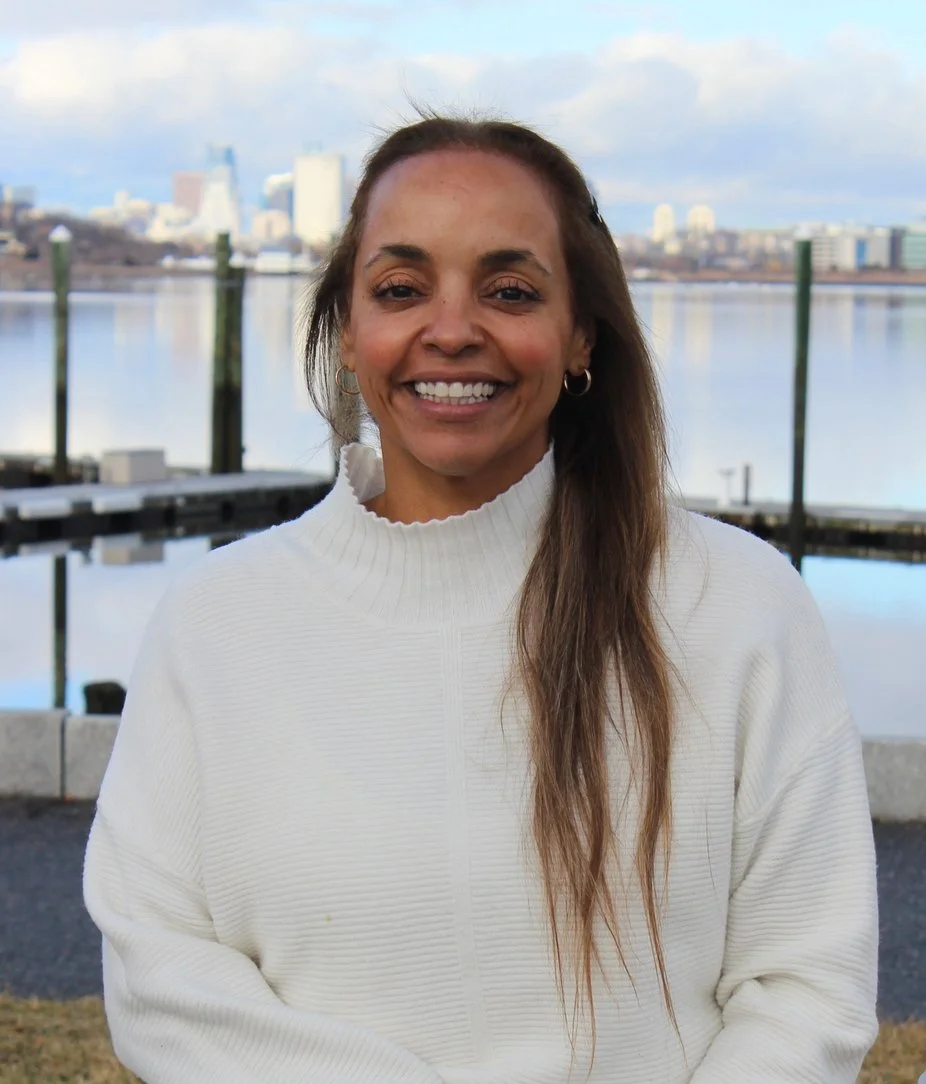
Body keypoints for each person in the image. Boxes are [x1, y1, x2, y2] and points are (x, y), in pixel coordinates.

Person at [83, 115, 879, 1083]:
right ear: (348, 330)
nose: (451, 331)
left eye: (508, 290)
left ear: (579, 331)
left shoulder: (738, 608)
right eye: (400, 289)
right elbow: (159, 972)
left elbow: (804, 984)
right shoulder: (214, 626)